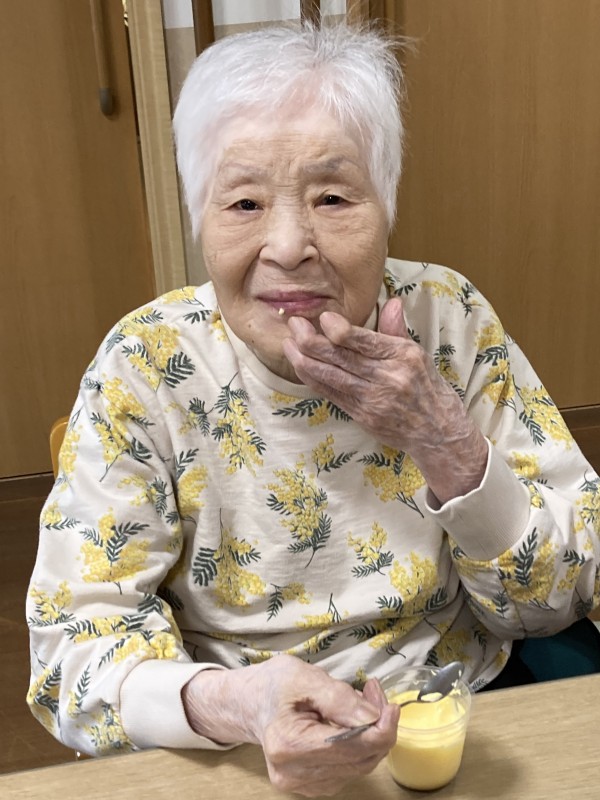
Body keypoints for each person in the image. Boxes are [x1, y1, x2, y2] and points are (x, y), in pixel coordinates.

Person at [27, 21, 600, 797]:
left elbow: (562, 594)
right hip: (239, 741)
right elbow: (71, 654)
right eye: (244, 201)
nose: (289, 245)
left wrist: (444, 440)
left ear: (385, 205)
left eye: (332, 197)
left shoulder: (448, 318)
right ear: (199, 218)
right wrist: (235, 703)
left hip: (458, 708)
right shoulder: (147, 363)